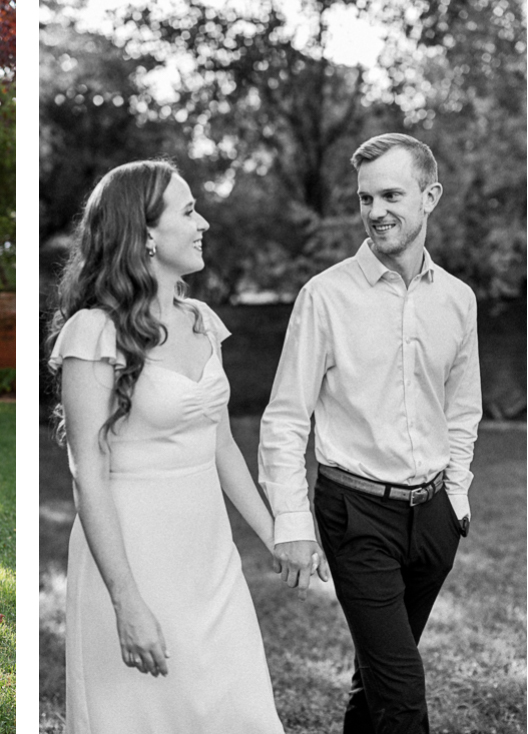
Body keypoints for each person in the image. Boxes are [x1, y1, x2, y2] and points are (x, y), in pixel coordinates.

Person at [47, 160, 298, 733]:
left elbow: (223, 446)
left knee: (241, 708)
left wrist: (276, 534)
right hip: (134, 554)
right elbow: (88, 469)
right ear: (146, 235)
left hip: (209, 555)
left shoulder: (203, 321)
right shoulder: (93, 331)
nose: (202, 221)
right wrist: (126, 602)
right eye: (188, 211)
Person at [258, 133, 482, 733]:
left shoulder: (459, 301)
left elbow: (462, 410)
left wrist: (455, 497)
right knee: (403, 692)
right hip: (355, 515)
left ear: (429, 196)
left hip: (434, 517)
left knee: (379, 680)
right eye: (365, 198)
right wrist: (291, 523)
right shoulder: (325, 297)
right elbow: (284, 418)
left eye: (391, 195)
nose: (376, 211)